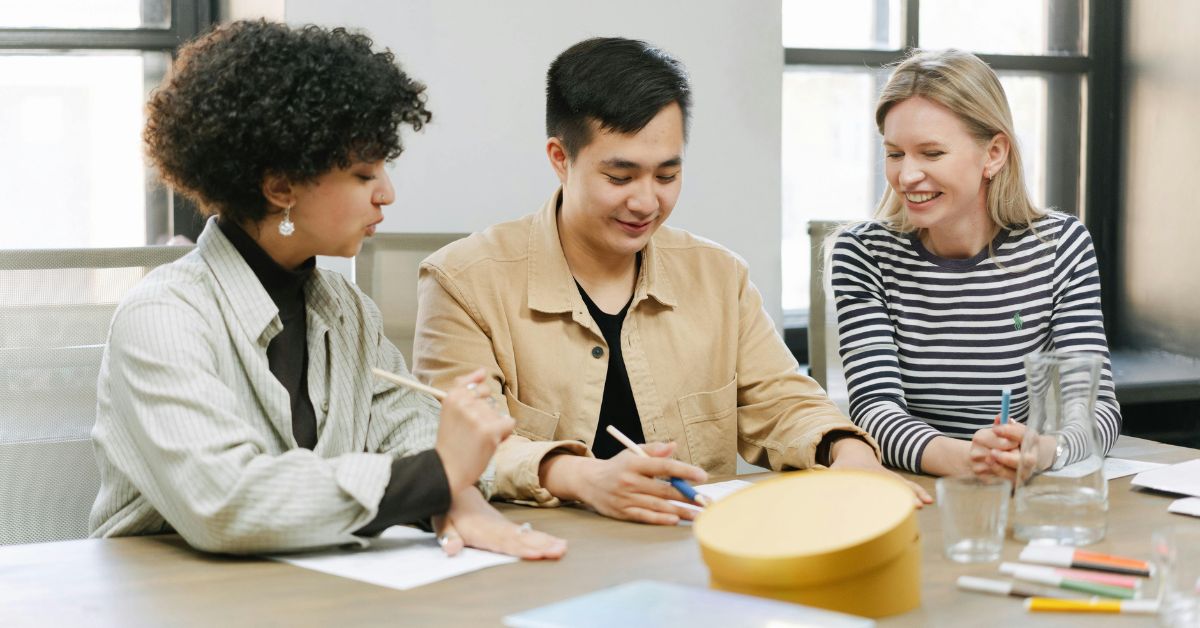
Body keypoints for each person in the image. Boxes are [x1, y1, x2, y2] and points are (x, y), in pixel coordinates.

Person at [89, 20, 565, 559]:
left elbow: (415, 433)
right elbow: (225, 502)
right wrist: (437, 475)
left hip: (306, 592)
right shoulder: (163, 316)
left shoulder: (348, 312)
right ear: (280, 187)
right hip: (164, 600)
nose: (387, 193)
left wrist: (451, 492)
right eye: (364, 174)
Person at [413, 36, 929, 526]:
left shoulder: (719, 276)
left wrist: (850, 452)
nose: (645, 202)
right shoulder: (463, 281)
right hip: (536, 560)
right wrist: (580, 476)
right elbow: (458, 445)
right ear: (560, 159)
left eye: (666, 175)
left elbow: (783, 402)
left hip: (691, 555)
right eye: (620, 177)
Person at [829, 49, 1122, 479]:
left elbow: (1096, 408)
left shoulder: (1061, 245)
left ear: (994, 154)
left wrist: (1044, 450)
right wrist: (972, 460)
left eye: (930, 153)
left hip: (1018, 486)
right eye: (895, 154)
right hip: (918, 489)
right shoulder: (862, 254)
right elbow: (874, 411)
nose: (907, 175)